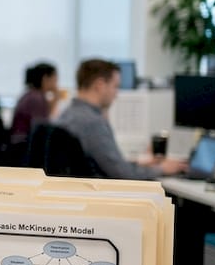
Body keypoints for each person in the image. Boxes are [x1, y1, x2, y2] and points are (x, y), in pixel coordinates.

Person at [55, 58, 187, 179]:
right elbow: (122, 174)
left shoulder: (67, 114)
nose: (116, 94)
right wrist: (162, 169)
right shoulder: (92, 122)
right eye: (115, 87)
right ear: (100, 85)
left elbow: (108, 164)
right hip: (103, 192)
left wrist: (138, 163)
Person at [8, 62, 60, 145]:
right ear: (45, 78)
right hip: (24, 146)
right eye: (55, 79)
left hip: (22, 144)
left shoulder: (31, 95)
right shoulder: (36, 98)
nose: (56, 84)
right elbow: (43, 130)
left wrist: (55, 101)